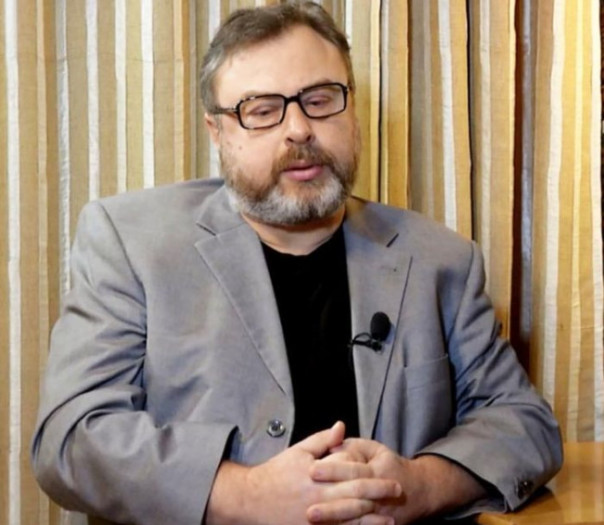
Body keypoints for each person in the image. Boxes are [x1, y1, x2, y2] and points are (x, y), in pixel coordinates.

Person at [31, 2, 562, 525]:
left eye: (320, 100)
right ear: (218, 132)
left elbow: (524, 424)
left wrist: (418, 486)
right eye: (262, 110)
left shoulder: (440, 261)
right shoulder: (131, 243)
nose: (299, 129)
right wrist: (243, 495)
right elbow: (72, 438)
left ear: (352, 112)